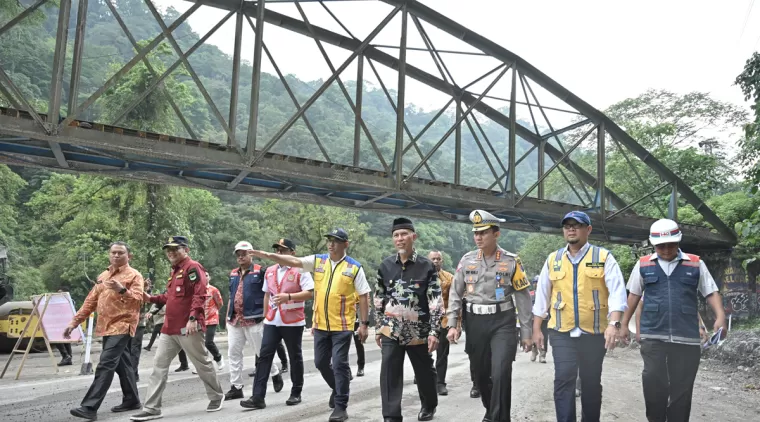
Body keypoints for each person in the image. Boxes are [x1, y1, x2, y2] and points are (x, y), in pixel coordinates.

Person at [248, 228, 371, 422]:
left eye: (336, 241)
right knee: (320, 363)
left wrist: (364, 324)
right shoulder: (318, 260)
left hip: (343, 326)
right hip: (321, 325)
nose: (331, 244)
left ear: (345, 244)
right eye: (329, 240)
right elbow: (294, 261)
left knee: (339, 364)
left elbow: (364, 296)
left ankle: (341, 406)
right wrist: (264, 255)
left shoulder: (354, 267)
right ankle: (338, 387)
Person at [619, 218, 727, 422]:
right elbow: (633, 295)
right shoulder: (643, 264)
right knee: (652, 381)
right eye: (661, 246)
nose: (666, 249)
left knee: (682, 390)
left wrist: (720, 316)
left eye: (671, 244)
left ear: (678, 242)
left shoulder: (695, 263)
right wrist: (624, 324)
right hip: (653, 335)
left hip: (686, 337)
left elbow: (711, 291)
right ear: (653, 245)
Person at [531, 211, 627, 422]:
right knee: (563, 378)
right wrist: (537, 329)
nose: (571, 229)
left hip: (594, 332)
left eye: (577, 225)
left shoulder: (603, 257)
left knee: (591, 382)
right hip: (561, 332)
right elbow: (542, 297)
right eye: (567, 226)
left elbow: (617, 292)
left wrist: (614, 323)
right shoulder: (553, 259)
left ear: (588, 229)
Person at [446, 210, 533, 422]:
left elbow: (523, 298)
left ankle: (499, 418)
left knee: (502, 371)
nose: (478, 237)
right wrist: (452, 324)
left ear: (496, 234)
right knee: (481, 375)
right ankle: (490, 410)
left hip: (502, 322)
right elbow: (455, 293)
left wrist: (526, 332)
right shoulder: (466, 261)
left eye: (483, 232)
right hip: (475, 322)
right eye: (476, 233)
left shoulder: (512, 261)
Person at [131, 236, 224, 421]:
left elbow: (200, 293)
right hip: (168, 328)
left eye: (175, 249)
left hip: (188, 327)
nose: (171, 252)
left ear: (186, 249)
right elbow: (170, 297)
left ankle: (216, 396)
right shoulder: (174, 271)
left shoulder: (193, 267)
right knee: (159, 366)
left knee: (202, 363)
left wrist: (193, 318)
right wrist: (150, 299)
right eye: (168, 250)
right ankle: (151, 408)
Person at [65, 242, 144, 420]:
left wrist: (123, 290)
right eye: (113, 253)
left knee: (106, 364)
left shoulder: (134, 275)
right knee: (123, 365)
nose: (116, 256)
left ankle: (89, 407)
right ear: (109, 255)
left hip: (123, 325)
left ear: (129, 256)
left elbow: (138, 300)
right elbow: (90, 301)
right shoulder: (104, 275)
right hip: (106, 326)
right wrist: (74, 322)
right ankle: (132, 400)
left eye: (120, 253)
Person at [374, 218, 442, 422]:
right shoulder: (385, 266)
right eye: (396, 235)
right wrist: (379, 327)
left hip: (418, 331)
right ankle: (391, 415)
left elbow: (435, 301)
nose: (400, 239)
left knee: (424, 372)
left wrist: (433, 331)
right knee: (389, 372)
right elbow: (378, 298)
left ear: (414, 237)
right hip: (391, 329)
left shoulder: (427, 266)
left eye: (404, 234)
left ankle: (429, 405)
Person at [241, 238, 314, 409]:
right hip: (273, 320)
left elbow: (309, 293)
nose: (279, 252)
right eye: (277, 249)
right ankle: (258, 397)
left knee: (294, 356)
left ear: (292, 253)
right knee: (263, 356)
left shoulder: (300, 269)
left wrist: (288, 297)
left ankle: (296, 392)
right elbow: (267, 293)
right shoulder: (270, 271)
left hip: (293, 321)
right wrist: (266, 315)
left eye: (283, 249)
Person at [224, 241, 284, 401]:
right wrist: (227, 316)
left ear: (251, 254)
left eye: (244, 253)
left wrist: (268, 315)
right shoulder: (233, 273)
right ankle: (236, 387)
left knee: (261, 353)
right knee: (233, 353)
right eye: (238, 253)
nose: (241, 256)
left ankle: (275, 373)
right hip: (235, 320)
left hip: (254, 318)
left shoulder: (261, 271)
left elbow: (270, 293)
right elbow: (232, 295)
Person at [428, 250, 457, 395]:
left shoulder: (449, 278)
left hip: (444, 320)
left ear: (442, 261)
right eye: (433, 259)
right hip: (425, 320)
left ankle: (440, 382)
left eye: (438, 259)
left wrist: (456, 324)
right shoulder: (421, 276)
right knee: (423, 352)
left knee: (442, 353)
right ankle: (424, 376)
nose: (435, 261)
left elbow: (455, 301)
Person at [198, 273, 224, 371]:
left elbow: (220, 303)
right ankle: (202, 365)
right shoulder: (196, 290)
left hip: (212, 319)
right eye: (203, 275)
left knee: (208, 342)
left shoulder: (214, 290)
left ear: (210, 277)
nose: (205, 277)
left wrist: (213, 311)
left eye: (207, 275)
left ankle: (218, 358)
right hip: (200, 319)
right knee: (198, 343)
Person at [131, 278, 153, 382]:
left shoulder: (145, 294)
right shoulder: (130, 291)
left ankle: (133, 374)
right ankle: (130, 373)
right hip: (127, 323)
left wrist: (147, 290)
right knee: (128, 349)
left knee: (135, 349)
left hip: (139, 324)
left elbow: (149, 303)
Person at [529, 276, 549, 364]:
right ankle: (534, 351)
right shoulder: (531, 294)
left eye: (537, 282)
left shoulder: (547, 294)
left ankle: (542, 355)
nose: (536, 284)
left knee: (544, 337)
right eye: (535, 282)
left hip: (544, 319)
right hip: (533, 318)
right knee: (533, 335)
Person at [54, 286, 74, 366]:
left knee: (57, 340)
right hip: (62, 323)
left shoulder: (68, 301)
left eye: (61, 293)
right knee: (65, 341)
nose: (59, 295)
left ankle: (66, 356)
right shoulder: (68, 301)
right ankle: (68, 358)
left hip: (64, 323)